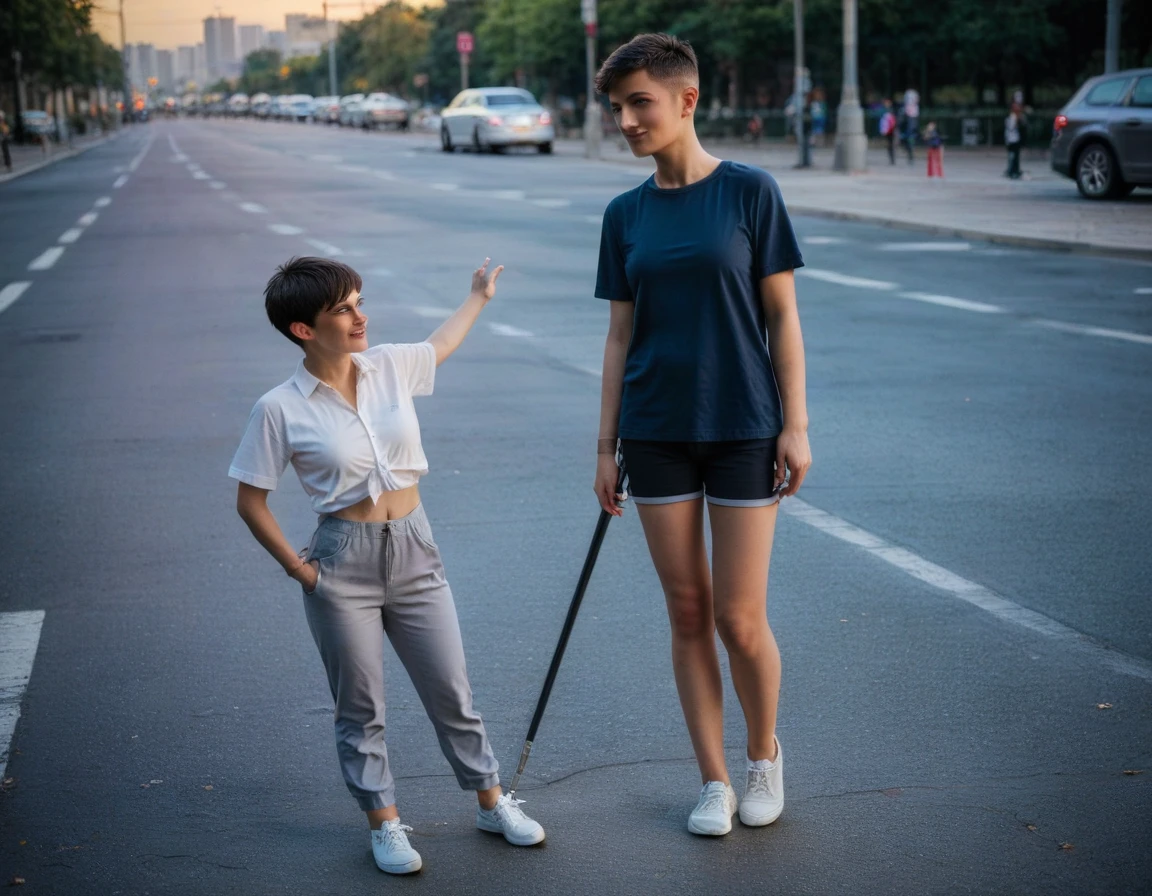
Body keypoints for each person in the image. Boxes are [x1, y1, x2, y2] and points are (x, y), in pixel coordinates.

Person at [229, 257, 544, 875]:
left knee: (452, 690)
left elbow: (441, 343)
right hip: (341, 561)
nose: (359, 316)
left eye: (358, 302)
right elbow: (250, 499)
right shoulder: (280, 408)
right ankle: (385, 822)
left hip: (415, 548)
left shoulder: (390, 367)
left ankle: (489, 800)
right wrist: (302, 571)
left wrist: (477, 296)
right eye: (343, 309)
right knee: (360, 707)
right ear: (303, 329)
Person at [593, 33, 811, 838]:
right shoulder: (625, 214)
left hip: (745, 425)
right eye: (616, 107)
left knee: (738, 618)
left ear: (686, 100)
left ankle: (763, 757)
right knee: (686, 610)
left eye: (639, 102)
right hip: (654, 431)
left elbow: (782, 318)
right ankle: (715, 781)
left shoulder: (751, 193)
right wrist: (604, 446)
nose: (626, 120)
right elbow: (620, 336)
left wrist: (796, 425)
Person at [1004, 102, 1026, 179]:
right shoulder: (1012, 117)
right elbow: (1012, 127)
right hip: (1012, 139)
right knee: (1012, 156)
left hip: (1015, 138)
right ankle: (1011, 171)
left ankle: (1015, 170)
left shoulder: (1017, 116)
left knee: (1016, 156)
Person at [902, 87, 920, 164]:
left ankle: (910, 152)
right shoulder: (914, 110)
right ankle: (910, 151)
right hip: (911, 123)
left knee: (910, 139)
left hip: (910, 124)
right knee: (910, 138)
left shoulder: (910, 110)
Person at [879, 98, 897, 165]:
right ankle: (891, 159)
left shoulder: (892, 110)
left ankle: (893, 159)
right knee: (889, 145)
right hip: (887, 131)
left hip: (892, 130)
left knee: (892, 145)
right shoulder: (883, 111)